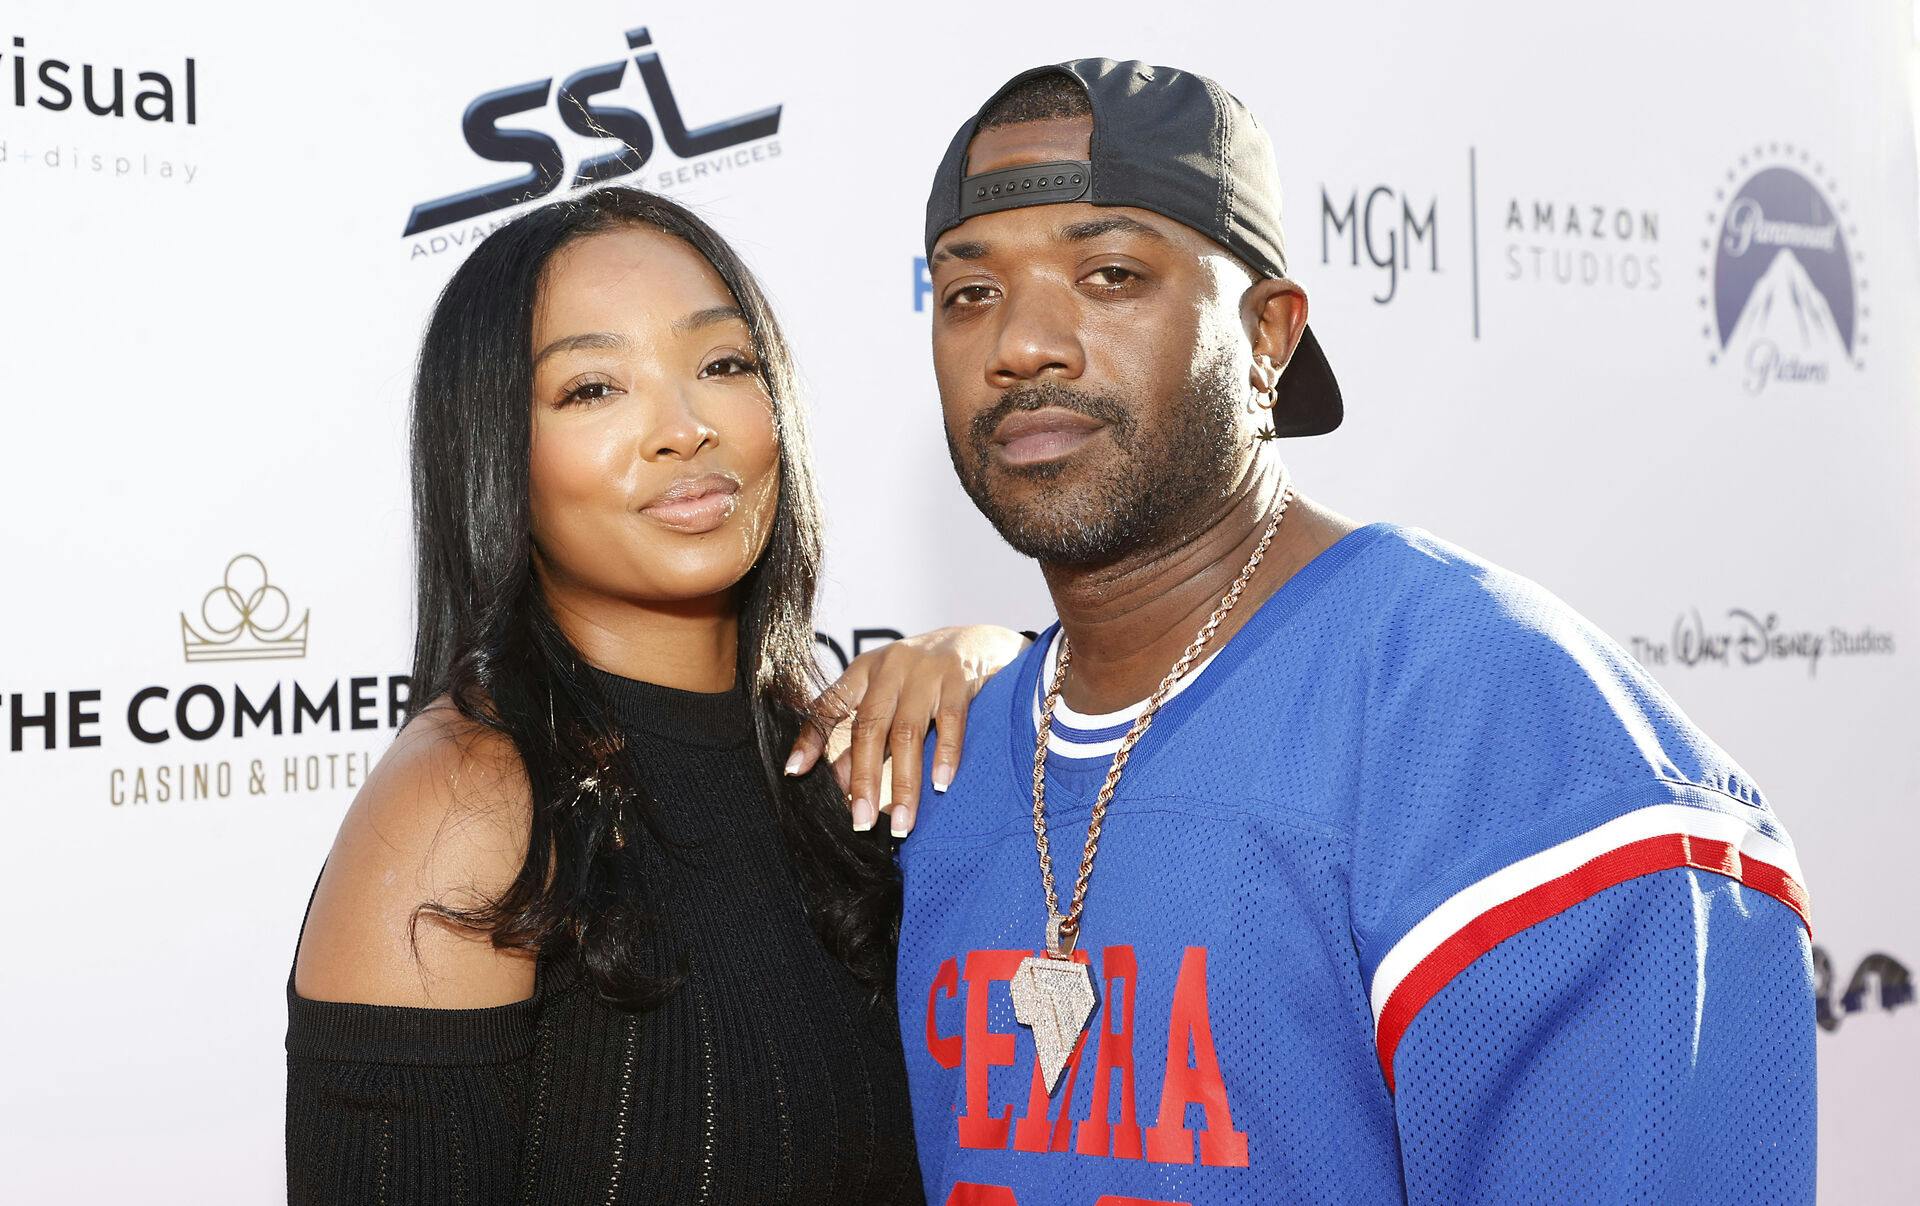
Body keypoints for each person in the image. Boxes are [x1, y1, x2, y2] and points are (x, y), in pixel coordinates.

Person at [898, 60, 1816, 1205]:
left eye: (1112, 272)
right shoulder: (933, 756)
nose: (1023, 344)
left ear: (1269, 336)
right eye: (969, 293)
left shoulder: (1492, 720)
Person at [285, 186, 1025, 1204]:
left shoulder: (833, 756)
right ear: (496, 451)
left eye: (723, 365)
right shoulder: (468, 800)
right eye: (592, 388)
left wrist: (1011, 662)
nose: (684, 429)